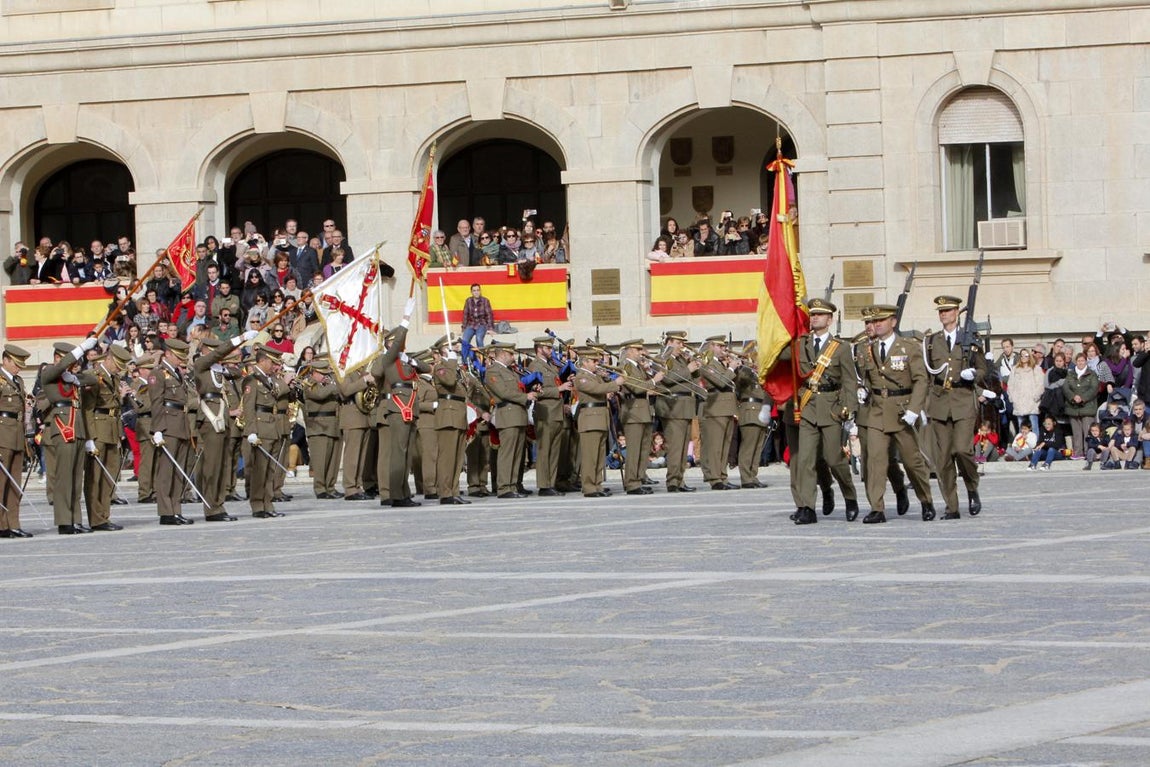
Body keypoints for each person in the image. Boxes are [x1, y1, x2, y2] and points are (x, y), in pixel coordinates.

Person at [855, 304, 937, 523]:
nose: (876, 324)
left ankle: (926, 500)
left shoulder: (908, 347)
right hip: (877, 411)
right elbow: (862, 378)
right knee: (874, 461)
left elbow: (921, 380)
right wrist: (861, 391)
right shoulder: (866, 349)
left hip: (902, 410)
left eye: (881, 320)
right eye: (873, 321)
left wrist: (915, 409)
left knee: (912, 462)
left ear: (893, 322)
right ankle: (877, 508)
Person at [790, 299, 860, 524]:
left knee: (834, 458)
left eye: (820, 315)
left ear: (830, 320)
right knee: (806, 460)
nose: (815, 318)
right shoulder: (800, 344)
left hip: (831, 408)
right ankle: (809, 507)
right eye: (813, 315)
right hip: (808, 408)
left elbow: (850, 381)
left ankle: (849, 496)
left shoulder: (841, 348)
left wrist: (848, 410)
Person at [923, 295, 987, 519]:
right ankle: (952, 505)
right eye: (941, 311)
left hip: (962, 400)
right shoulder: (931, 342)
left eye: (948, 311)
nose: (944, 315)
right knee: (943, 459)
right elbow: (927, 375)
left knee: (962, 449)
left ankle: (972, 486)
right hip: (939, 401)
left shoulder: (970, 338)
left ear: (957, 312)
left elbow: (983, 370)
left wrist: (974, 375)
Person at [370, 297, 425, 508]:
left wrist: (411, 360)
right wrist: (405, 318)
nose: (400, 344)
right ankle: (396, 494)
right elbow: (393, 350)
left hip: (410, 404)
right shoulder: (388, 359)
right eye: (396, 342)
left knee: (407, 452)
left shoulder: (402, 359)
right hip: (398, 407)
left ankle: (404, 492)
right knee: (398, 452)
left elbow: (425, 369)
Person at [41, 338, 100, 534]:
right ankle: (64, 521)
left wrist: (74, 378)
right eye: (71, 362)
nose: (74, 366)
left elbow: (92, 379)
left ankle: (75, 519)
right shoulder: (49, 375)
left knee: (76, 478)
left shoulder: (72, 379)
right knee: (64, 478)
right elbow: (58, 369)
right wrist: (81, 348)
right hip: (62, 428)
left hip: (78, 429)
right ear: (58, 358)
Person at [81, 344, 132, 532]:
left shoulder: (114, 378)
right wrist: (90, 437)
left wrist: (122, 396)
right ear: (108, 359)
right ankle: (96, 518)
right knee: (95, 477)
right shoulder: (94, 377)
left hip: (112, 429)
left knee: (109, 475)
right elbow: (87, 409)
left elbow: (115, 407)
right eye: (117, 365)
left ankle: (104, 515)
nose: (119, 369)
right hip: (98, 429)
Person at [148, 338, 197, 526]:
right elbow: (156, 402)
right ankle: (166, 511)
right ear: (168, 354)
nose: (181, 360)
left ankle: (176, 509)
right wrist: (158, 429)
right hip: (168, 425)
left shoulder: (177, 373)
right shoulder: (158, 374)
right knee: (166, 471)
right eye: (178, 356)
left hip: (181, 425)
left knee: (179, 470)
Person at [654, 330, 703, 493]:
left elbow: (693, 381)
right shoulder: (662, 357)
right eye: (679, 342)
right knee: (675, 446)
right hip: (672, 406)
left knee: (683, 446)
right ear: (669, 342)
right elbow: (667, 378)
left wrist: (696, 368)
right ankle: (672, 481)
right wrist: (688, 369)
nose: (682, 346)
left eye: (683, 343)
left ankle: (679, 479)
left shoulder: (681, 359)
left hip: (685, 406)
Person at [242, 345, 288, 518]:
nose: (274, 365)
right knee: (259, 470)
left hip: (273, 427)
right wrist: (251, 430)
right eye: (271, 361)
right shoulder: (252, 381)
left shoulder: (270, 379)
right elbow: (249, 407)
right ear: (262, 361)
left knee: (270, 470)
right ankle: (257, 505)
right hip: (261, 428)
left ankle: (268, 504)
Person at [572, 347, 622, 497]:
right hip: (590, 419)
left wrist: (607, 377)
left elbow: (603, 384)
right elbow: (596, 389)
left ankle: (597, 484)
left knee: (599, 456)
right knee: (590, 456)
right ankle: (589, 487)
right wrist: (615, 383)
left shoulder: (594, 375)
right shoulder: (581, 377)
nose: (596, 363)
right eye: (593, 361)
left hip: (600, 418)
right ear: (585, 362)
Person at [617, 339, 662, 495]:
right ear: (629, 351)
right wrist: (654, 381)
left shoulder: (637, 367)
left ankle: (639, 478)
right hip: (633, 412)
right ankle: (632, 483)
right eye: (638, 350)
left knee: (643, 450)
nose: (641, 353)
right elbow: (636, 388)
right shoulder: (626, 366)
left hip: (643, 411)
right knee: (634, 450)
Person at [529, 335, 571, 496]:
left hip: (556, 412)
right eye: (548, 348)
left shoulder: (551, 366)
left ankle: (551, 483)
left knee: (554, 451)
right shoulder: (535, 366)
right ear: (539, 349)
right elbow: (537, 391)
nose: (551, 351)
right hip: (545, 412)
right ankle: (544, 484)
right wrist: (559, 390)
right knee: (545, 450)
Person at [0, 344, 34, 538]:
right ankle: (1, 524)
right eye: (15, 363)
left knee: (14, 483)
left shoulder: (18, 381)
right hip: (2, 435)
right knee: (0, 483)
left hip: (17, 435)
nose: (19, 367)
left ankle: (13, 522)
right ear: (5, 360)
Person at [697, 336, 739, 491]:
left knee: (725, 446)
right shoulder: (707, 363)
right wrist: (731, 368)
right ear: (712, 346)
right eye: (720, 346)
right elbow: (721, 382)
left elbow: (732, 382)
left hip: (727, 407)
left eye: (724, 346)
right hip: (716, 408)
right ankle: (715, 479)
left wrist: (732, 368)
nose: (724, 349)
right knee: (716, 446)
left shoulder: (721, 363)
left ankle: (723, 476)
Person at [732, 342, 770, 488]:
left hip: (760, 410)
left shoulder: (759, 373)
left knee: (757, 447)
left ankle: (753, 476)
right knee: (748, 446)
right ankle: (746, 478)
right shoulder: (745, 372)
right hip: (749, 410)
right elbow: (740, 380)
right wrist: (744, 364)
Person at [1063, 352, 1100, 458]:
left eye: (1082, 360)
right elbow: (1066, 388)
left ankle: (1089, 452)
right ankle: (1078, 452)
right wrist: (1073, 397)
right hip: (1073, 407)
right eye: (1078, 361)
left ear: (1086, 361)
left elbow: (1094, 389)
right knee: (1076, 432)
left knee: (1088, 431)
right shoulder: (1070, 374)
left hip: (1087, 407)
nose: (1080, 363)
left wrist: (1082, 398)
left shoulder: (1092, 374)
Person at [1007, 348, 1045, 434]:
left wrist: (1036, 396)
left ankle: (1035, 444)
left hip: (1032, 401)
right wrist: (1013, 398)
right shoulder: (1015, 369)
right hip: (1019, 402)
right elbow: (1010, 385)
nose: (1024, 357)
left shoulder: (1036, 369)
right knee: (1021, 426)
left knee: (1033, 424)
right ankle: (1022, 444)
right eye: (1022, 355)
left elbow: (1040, 384)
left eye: (1026, 355)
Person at [460, 283, 494, 356]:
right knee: (465, 340)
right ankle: (465, 361)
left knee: (478, 338)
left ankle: (482, 358)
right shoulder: (468, 301)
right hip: (471, 324)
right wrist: (463, 328)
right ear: (471, 292)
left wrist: (490, 328)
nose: (476, 292)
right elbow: (465, 315)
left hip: (481, 324)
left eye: (478, 290)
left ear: (480, 291)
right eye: (474, 290)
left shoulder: (485, 301)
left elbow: (489, 315)